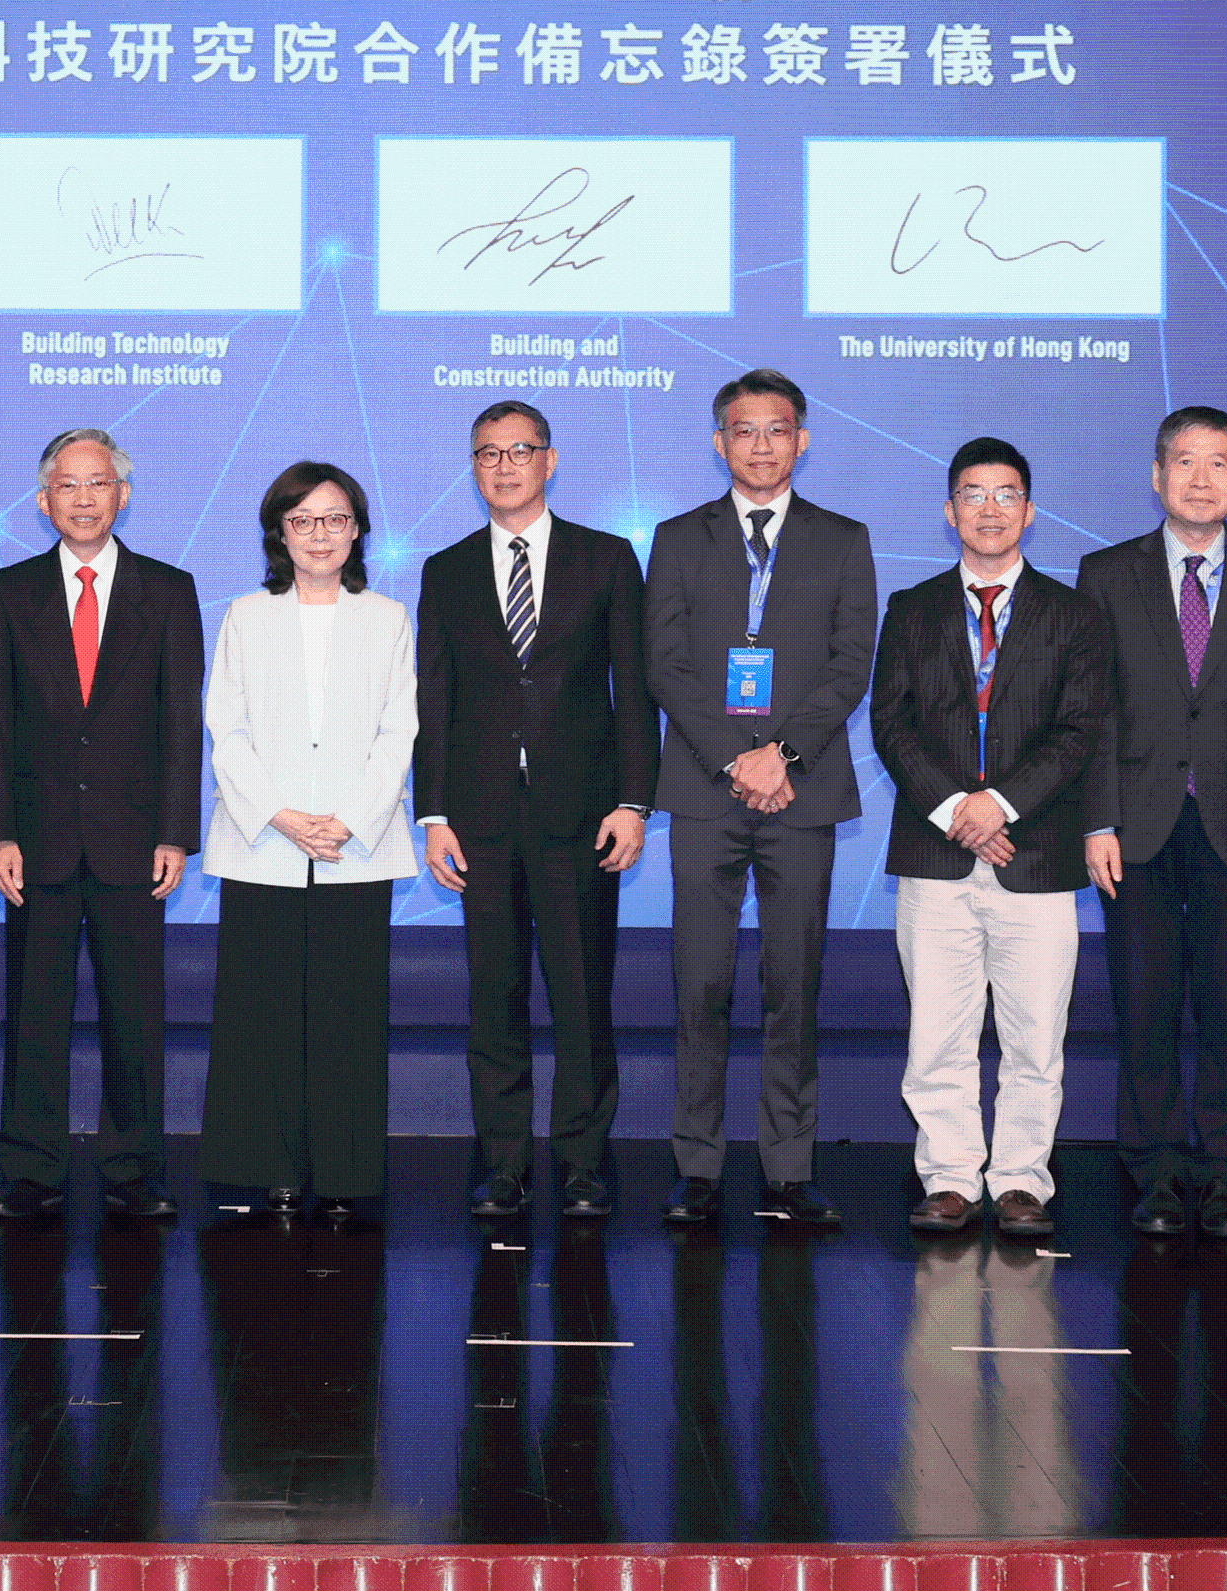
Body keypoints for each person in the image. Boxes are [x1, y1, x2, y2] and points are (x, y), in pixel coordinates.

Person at [1076, 405, 1227, 1241]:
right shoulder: (1105, 575)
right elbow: (1094, 712)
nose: (1201, 478)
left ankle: (1220, 1170)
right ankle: (1152, 1169)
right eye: (1184, 462)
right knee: (1142, 1006)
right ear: (1156, 475)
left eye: (1219, 463)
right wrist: (1095, 819)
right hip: (1135, 827)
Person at [643, 367, 880, 1228]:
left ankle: (787, 1166)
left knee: (794, 984)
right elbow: (663, 665)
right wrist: (736, 760)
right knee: (698, 984)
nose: (760, 445)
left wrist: (779, 755)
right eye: (743, 431)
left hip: (802, 792)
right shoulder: (676, 539)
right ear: (720, 443)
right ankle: (696, 1165)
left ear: (801, 439)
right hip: (707, 795)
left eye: (777, 430)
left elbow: (850, 666)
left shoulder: (843, 539)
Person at [414, 402, 656, 1222]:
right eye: (487, 453)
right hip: (479, 822)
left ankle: (585, 1164)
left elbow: (634, 693)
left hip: (582, 815)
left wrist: (633, 802)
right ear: (473, 466)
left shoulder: (607, 560)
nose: (504, 465)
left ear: (549, 461)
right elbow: (434, 700)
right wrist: (433, 814)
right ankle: (504, 1163)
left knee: (583, 997)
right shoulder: (445, 570)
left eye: (520, 451)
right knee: (496, 996)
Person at [869, 437, 1112, 1240]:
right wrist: (956, 811)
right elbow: (891, 724)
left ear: (1029, 512)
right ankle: (947, 1179)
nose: (989, 509)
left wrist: (1000, 806)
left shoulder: (1073, 613)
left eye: (1006, 495)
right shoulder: (910, 608)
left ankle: (1018, 1182)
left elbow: (1079, 731)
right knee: (935, 1033)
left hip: (1035, 857)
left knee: (1034, 1036)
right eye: (972, 495)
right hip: (935, 856)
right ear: (948, 512)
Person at [0, 427, 204, 1223]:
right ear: (43, 502)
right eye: (66, 485)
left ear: (122, 495)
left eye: (97, 483)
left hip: (133, 841)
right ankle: (30, 1168)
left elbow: (181, 723)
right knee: (33, 1011)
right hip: (33, 841)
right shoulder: (7, 592)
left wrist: (175, 831)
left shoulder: (168, 591)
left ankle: (134, 1166)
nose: (82, 498)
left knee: (133, 1014)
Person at [202, 462, 418, 1223]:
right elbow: (225, 730)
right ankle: (272, 1168)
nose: (319, 534)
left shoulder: (388, 618)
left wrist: (351, 819)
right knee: (260, 1015)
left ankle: (345, 1171)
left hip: (357, 847)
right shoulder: (244, 616)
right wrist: (281, 815)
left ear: (356, 529)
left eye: (334, 519)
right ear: (280, 533)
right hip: (262, 841)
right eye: (302, 521)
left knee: (347, 1016)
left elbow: (400, 731)